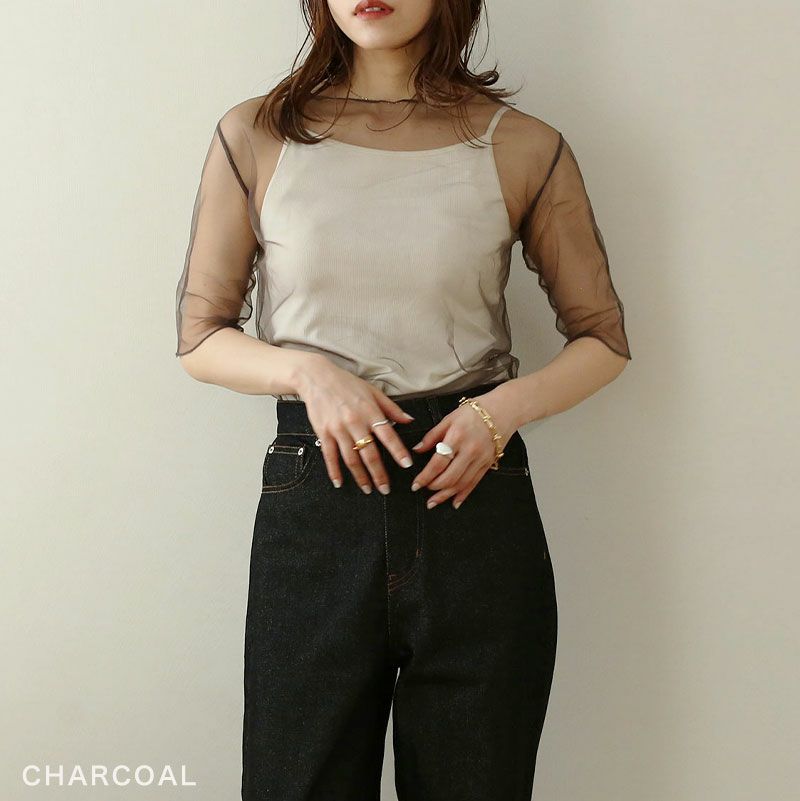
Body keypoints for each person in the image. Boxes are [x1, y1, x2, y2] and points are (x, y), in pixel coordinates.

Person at [174, 1, 631, 798]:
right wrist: (309, 374)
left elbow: (603, 340)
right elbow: (201, 338)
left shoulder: (521, 144)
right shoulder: (258, 134)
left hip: (473, 493)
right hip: (317, 495)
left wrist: (501, 410)